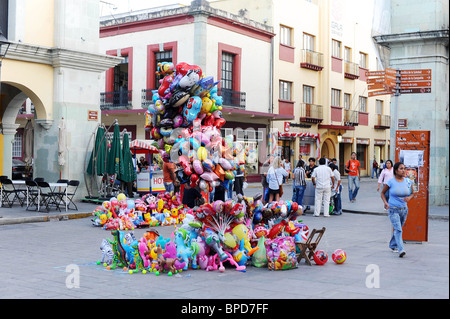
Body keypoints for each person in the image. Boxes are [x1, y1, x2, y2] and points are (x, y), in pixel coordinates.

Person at [381, 162, 414, 258]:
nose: (403, 170)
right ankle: (401, 249)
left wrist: (409, 198)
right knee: (398, 230)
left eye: (404, 168)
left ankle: (392, 244)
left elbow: (412, 193)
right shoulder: (391, 182)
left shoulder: (408, 181)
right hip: (393, 209)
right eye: (401, 168)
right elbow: (383, 193)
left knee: (398, 229)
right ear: (396, 170)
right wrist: (385, 203)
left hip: (404, 209)